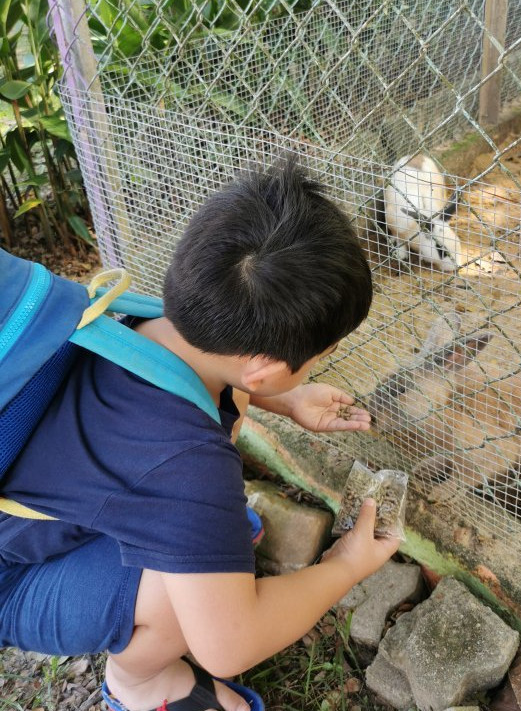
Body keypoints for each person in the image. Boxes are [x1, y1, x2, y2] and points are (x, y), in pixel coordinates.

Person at [0, 156, 400, 711]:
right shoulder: (185, 463)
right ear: (261, 367)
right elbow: (229, 646)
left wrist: (283, 397)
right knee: (194, 600)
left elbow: (197, 375)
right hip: (11, 579)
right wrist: (348, 564)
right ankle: (139, 685)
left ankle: (191, 552)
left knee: (209, 507)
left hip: (37, 500)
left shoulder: (131, 314)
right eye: (320, 357)